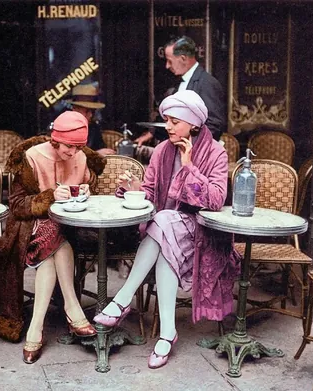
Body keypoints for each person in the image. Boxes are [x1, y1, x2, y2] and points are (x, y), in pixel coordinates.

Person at [93, 90, 240, 369]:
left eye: (174, 121)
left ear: (193, 124)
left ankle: (122, 300)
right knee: (164, 233)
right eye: (167, 121)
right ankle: (167, 333)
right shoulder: (161, 151)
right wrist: (135, 189)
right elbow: (149, 191)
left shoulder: (216, 153)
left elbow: (216, 200)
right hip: (167, 230)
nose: (168, 127)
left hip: (202, 230)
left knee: (161, 222)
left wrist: (188, 167)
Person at [0, 111, 106, 364]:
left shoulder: (81, 157)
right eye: (68, 146)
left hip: (69, 227)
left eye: (78, 147)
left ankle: (36, 328)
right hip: (27, 227)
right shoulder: (31, 157)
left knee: (55, 241)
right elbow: (17, 205)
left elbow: (87, 188)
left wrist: (85, 190)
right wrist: (50, 197)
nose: (73, 153)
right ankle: (72, 309)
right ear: (55, 140)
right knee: (55, 237)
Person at [135, 36, 226, 151]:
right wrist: (152, 134)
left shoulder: (208, 83)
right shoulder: (176, 83)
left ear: (183, 58)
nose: (167, 66)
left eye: (170, 61)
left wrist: (191, 146)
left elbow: (215, 125)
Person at [67, 84, 115, 156]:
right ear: (75, 109)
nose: (91, 115)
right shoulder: (65, 127)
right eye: (87, 111)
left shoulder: (93, 127)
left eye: (93, 111)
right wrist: (95, 154)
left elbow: (101, 147)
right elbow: (68, 155)